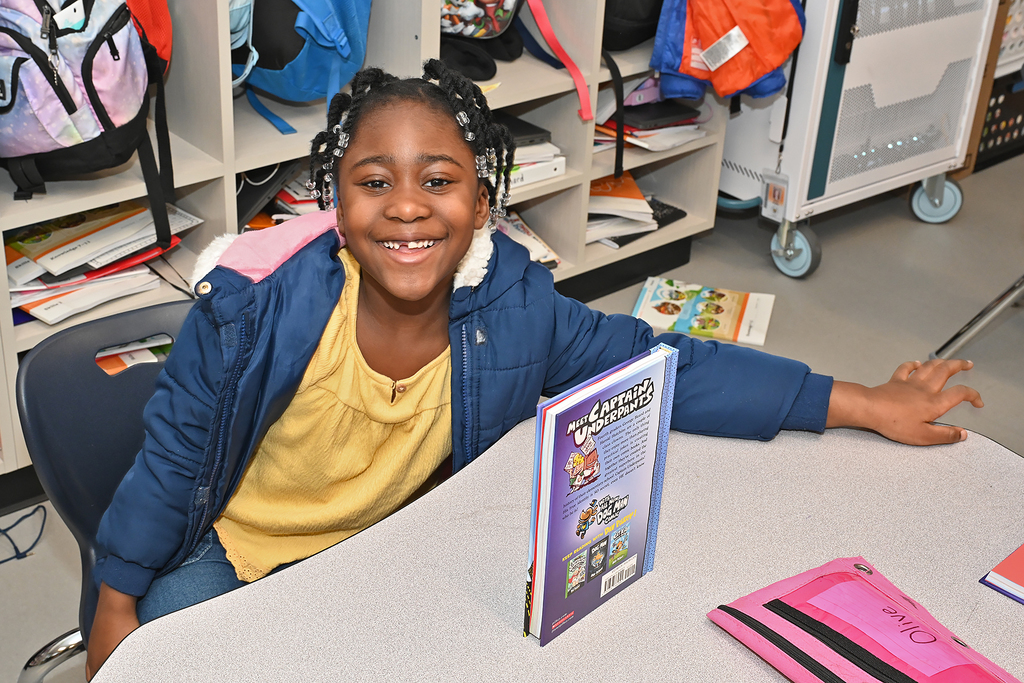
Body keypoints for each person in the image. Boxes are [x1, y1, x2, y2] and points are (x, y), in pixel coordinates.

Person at [84, 60, 983, 677]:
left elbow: (661, 363)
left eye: (438, 181)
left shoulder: (515, 307)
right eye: (374, 181)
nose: (406, 207)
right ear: (334, 196)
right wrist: (116, 604)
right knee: (182, 654)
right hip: (238, 548)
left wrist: (859, 401)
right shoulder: (254, 308)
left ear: (482, 202)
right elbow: (169, 467)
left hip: (385, 548)